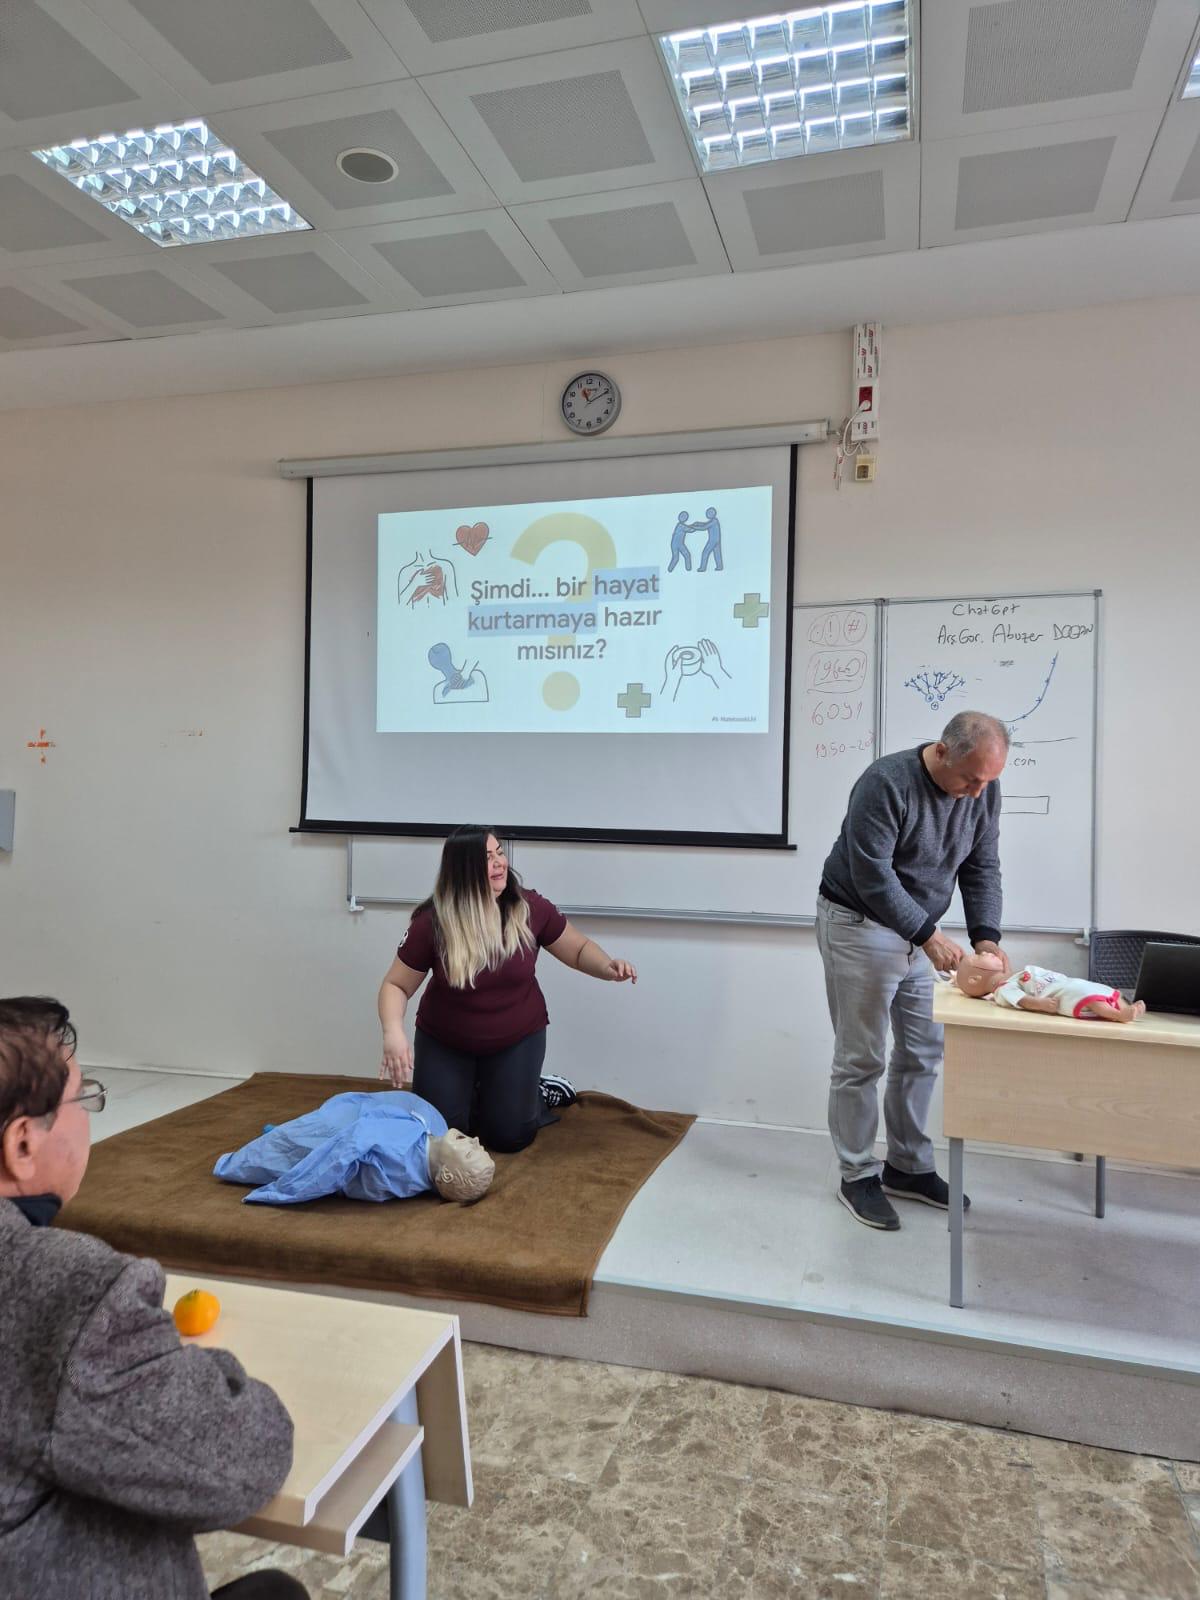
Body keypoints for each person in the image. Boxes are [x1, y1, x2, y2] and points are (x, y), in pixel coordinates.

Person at [0, 997, 305, 1600]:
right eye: (83, 1099)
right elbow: (242, 1456)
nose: (90, 1118)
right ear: (23, 1145)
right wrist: (176, 1362)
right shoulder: (63, 1289)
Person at [817, 711, 1011, 1231]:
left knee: (923, 1050)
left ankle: (907, 1166)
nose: (977, 793)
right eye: (970, 779)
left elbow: (982, 865)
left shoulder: (983, 789)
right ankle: (857, 1175)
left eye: (987, 781)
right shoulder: (886, 782)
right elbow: (873, 875)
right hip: (859, 922)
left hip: (920, 930)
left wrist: (986, 937)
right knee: (861, 1058)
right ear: (942, 751)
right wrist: (928, 936)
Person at [378, 828, 636, 1152]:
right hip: (446, 1042)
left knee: (509, 1137)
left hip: (516, 1038)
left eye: (499, 852)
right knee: (440, 1137)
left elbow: (578, 949)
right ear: (463, 870)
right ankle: (477, 1093)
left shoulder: (530, 907)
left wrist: (607, 966)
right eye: (487, 858)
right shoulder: (432, 922)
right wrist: (393, 1032)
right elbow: (396, 985)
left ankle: (535, 1091)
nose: (500, 862)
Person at [214, 1089, 496, 1204]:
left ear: (445, 1174)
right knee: (294, 1140)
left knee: (290, 1145)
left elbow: (337, 1158)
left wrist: (281, 1191)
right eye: (478, 1145)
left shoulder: (396, 1155)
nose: (475, 1140)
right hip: (358, 1112)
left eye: (470, 1151)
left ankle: (278, 1138)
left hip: (335, 1130)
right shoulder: (434, 1133)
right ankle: (283, 1136)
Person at [955, 950, 1146, 1022]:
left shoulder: (1009, 979)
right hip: (1058, 996)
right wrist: (1040, 1004)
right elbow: (1022, 1000)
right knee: (1085, 996)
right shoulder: (1003, 989)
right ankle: (1119, 1015)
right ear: (974, 979)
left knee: (1095, 989)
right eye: (978, 957)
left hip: (1064, 984)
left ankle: (1126, 1007)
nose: (984, 953)